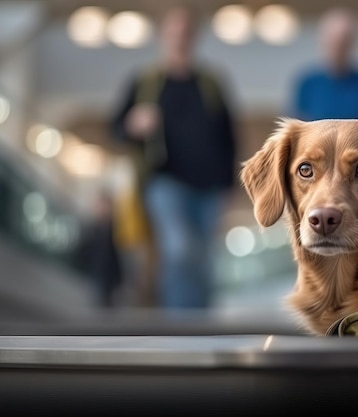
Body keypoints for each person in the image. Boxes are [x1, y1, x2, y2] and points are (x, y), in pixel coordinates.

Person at [110, 3, 238, 309]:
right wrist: (134, 123)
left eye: (185, 32)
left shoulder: (212, 83)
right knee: (178, 249)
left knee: (203, 260)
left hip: (209, 186)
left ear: (194, 37)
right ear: (163, 35)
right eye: (174, 31)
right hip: (164, 180)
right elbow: (116, 128)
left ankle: (200, 330)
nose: (179, 37)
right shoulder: (145, 81)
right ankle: (181, 326)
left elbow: (229, 136)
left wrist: (229, 185)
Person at [289, 7, 358, 121]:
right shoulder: (307, 83)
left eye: (344, 42)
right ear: (323, 39)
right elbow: (298, 126)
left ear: (353, 42)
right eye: (334, 41)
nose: (338, 47)